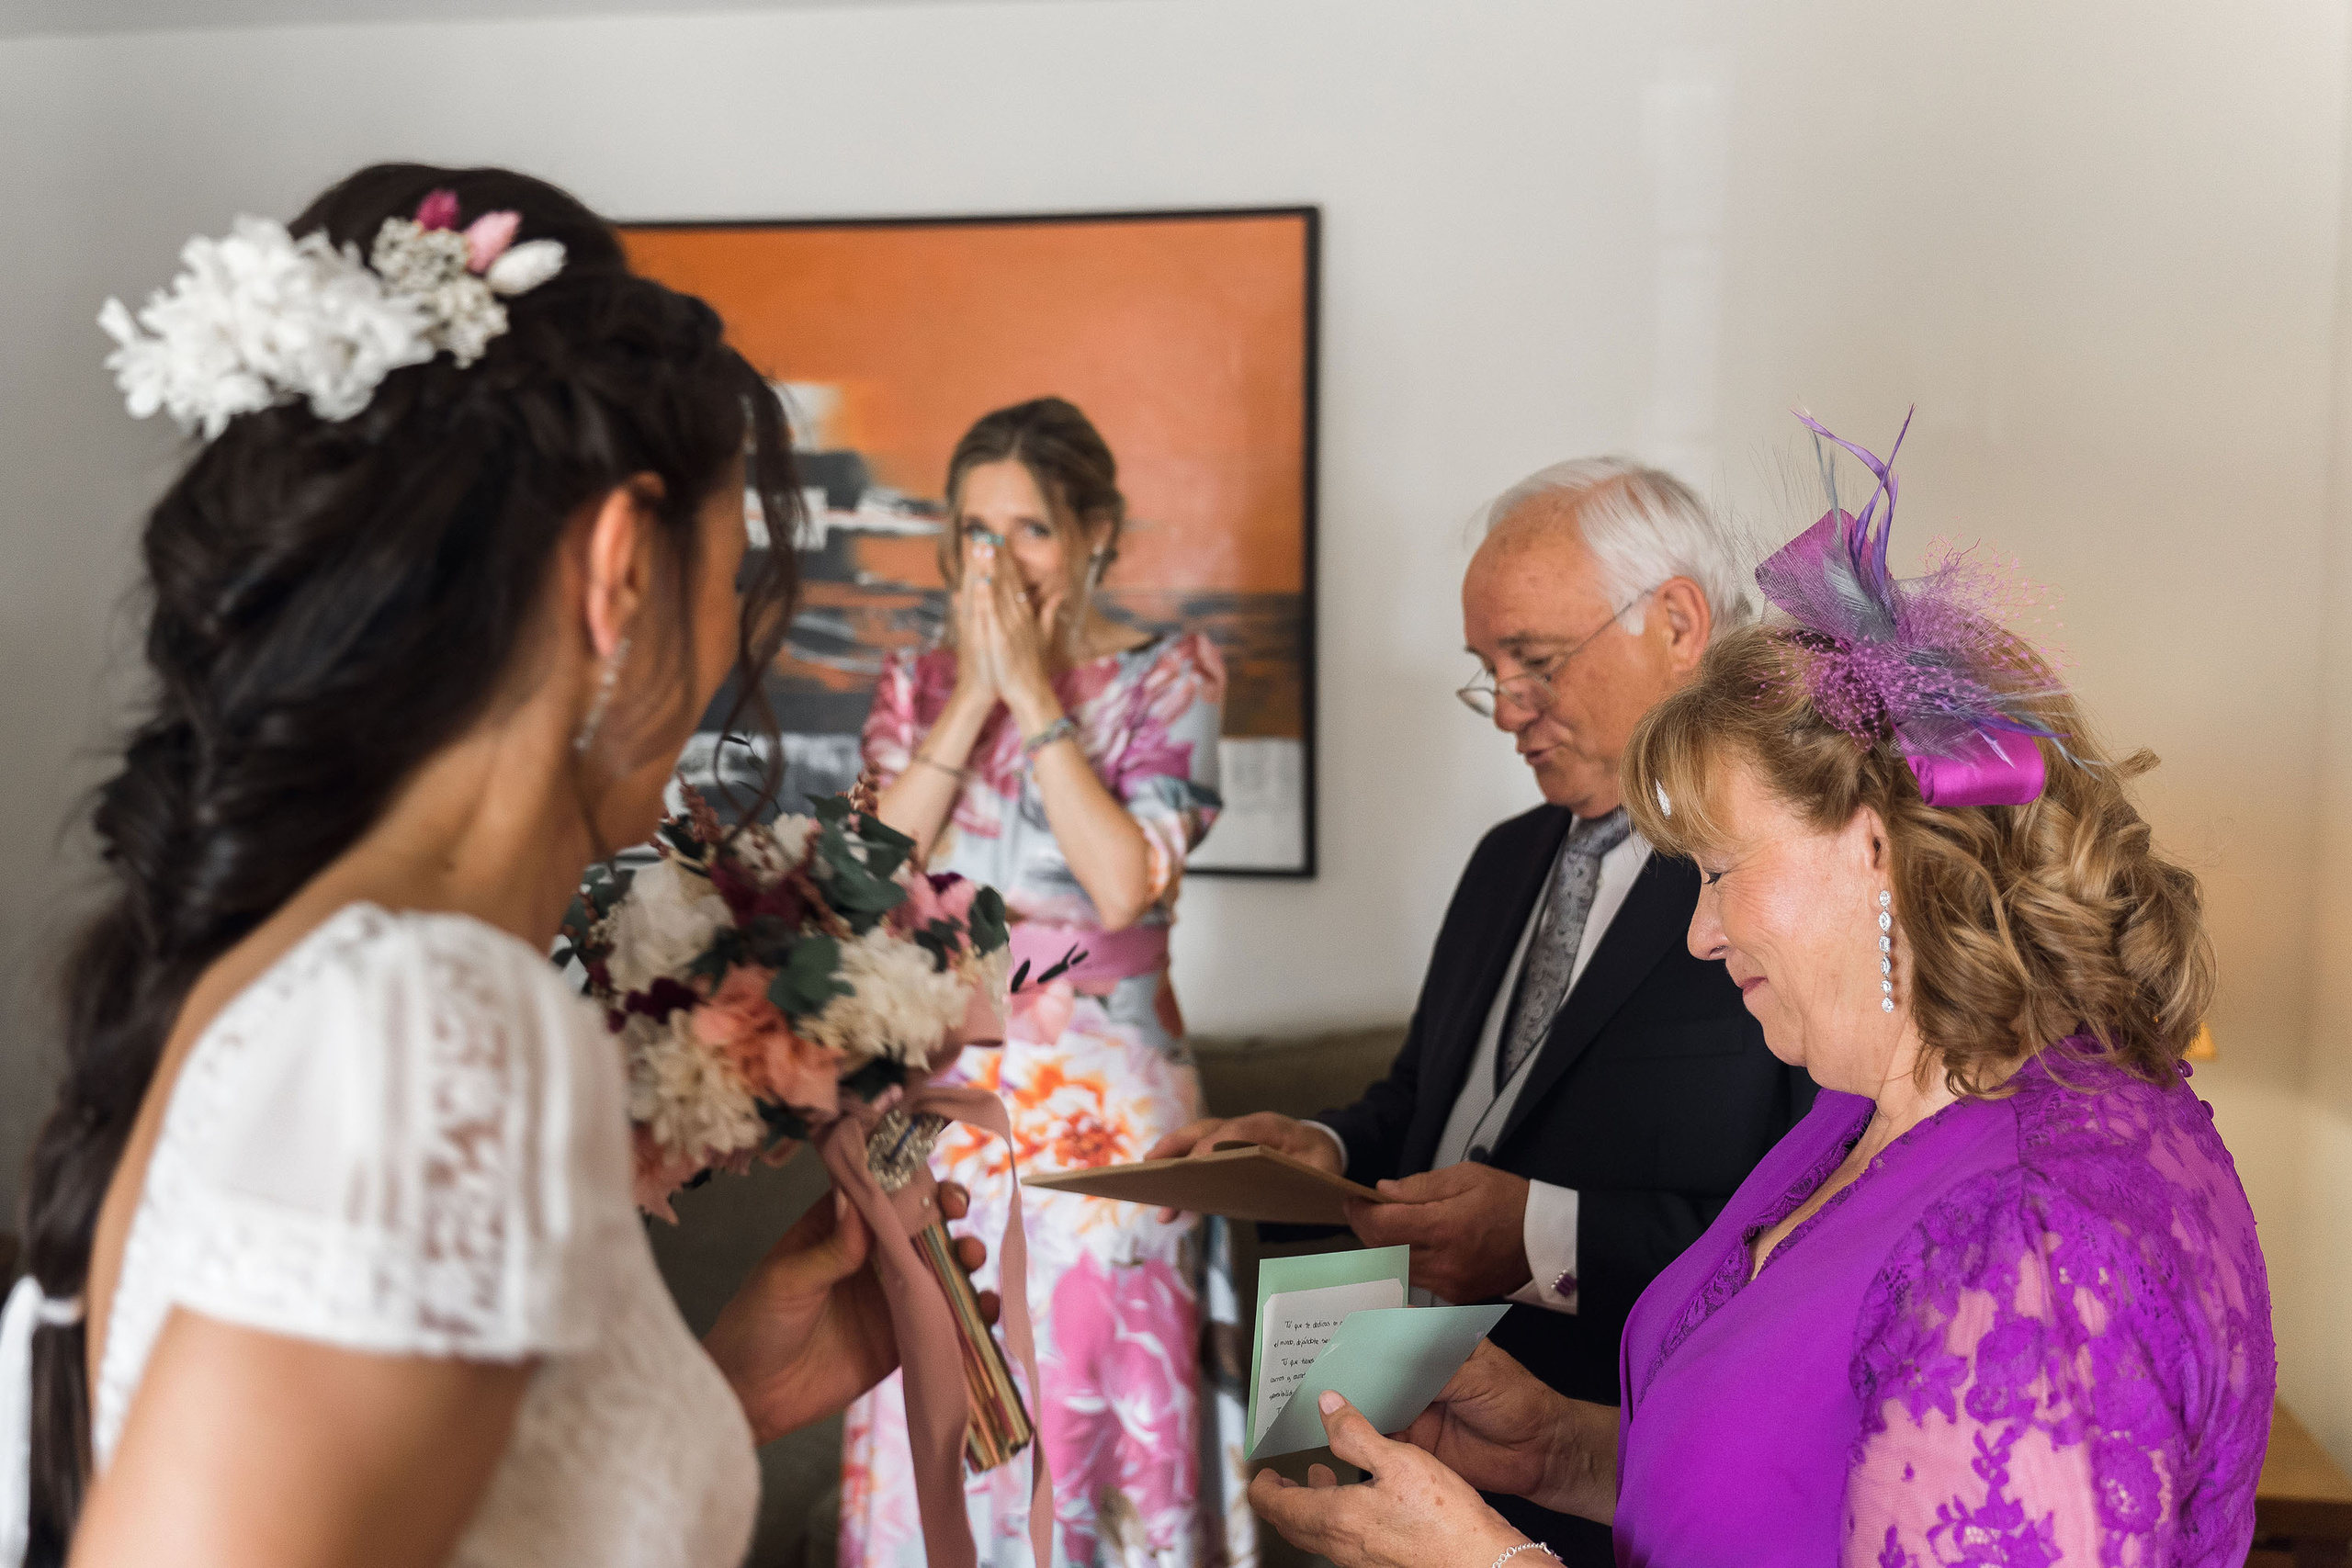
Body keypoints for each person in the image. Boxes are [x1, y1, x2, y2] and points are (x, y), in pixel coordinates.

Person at [0, 165, 985, 1568]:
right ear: (618, 574)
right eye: (722, 577)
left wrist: (722, 1398)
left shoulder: (306, 972)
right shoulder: (429, 1015)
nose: (719, 654)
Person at [1248, 419, 2275, 1568]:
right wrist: (1555, 1453)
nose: (1697, 931)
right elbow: (1779, 1483)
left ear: (1879, 849)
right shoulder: (1863, 1118)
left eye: (1722, 872)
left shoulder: (2030, 1245)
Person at [1150, 460, 1814, 1562]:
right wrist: (1313, 1146)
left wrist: (1536, 1241)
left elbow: (1812, 1228)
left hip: (1609, 1477)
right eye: (1487, 671)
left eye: (1535, 663)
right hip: (1393, 1437)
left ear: (1680, 622)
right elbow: (1427, 1101)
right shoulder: (1506, 859)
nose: (1506, 709)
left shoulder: (1774, 881)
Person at [842, 398, 1238, 1567]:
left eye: (1031, 531)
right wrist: (973, 692)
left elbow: (1124, 885)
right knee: (948, 1408)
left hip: (1106, 1115)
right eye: (975, 531)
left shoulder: (1172, 676)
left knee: (1098, 1404)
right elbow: (866, 883)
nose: (998, 561)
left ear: (1096, 532)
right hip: (939, 1112)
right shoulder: (912, 683)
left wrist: (1034, 694)